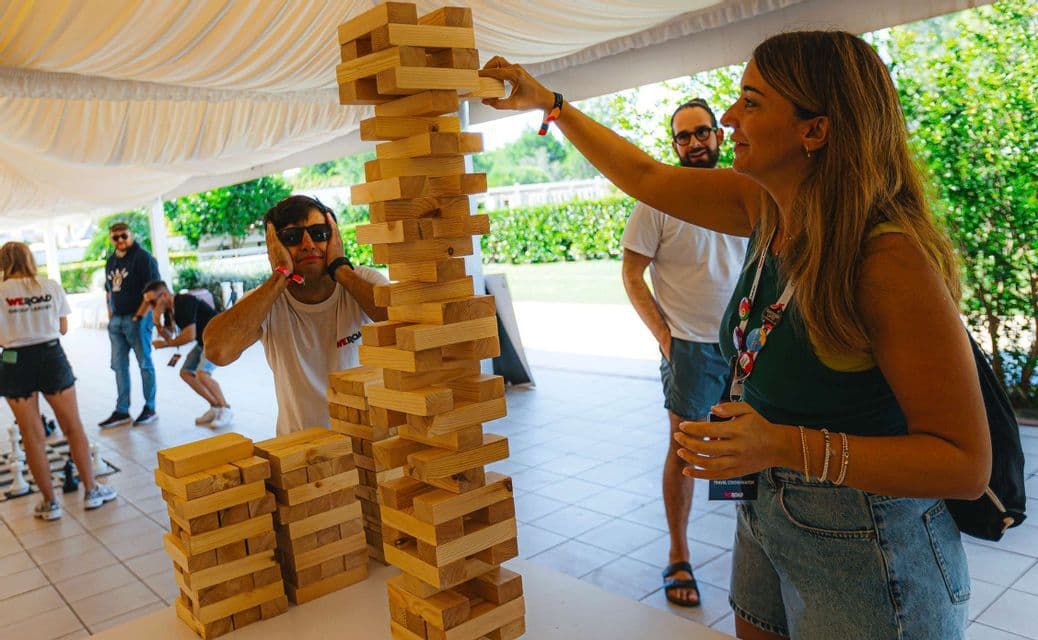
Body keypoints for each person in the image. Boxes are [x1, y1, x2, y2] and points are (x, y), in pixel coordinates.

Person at [481, 30, 989, 640]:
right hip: (767, 512)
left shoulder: (886, 260)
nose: (726, 118)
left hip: (871, 548)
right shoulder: (766, 208)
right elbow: (643, 174)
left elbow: (964, 465)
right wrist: (551, 104)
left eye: (750, 102)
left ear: (815, 130)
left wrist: (780, 445)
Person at [621, 98, 747, 607]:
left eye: (702, 133)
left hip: (747, 349)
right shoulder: (658, 200)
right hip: (690, 350)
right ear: (673, 145)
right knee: (685, 452)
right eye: (683, 136)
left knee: (746, 448)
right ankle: (679, 552)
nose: (694, 143)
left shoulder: (745, 191)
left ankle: (754, 550)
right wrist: (664, 338)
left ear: (718, 135)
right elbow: (631, 274)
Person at [204, 196, 388, 435]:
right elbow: (218, 351)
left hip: (367, 440)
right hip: (302, 452)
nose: (308, 244)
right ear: (274, 247)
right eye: (292, 237)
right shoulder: (266, 299)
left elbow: (403, 320)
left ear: (335, 237)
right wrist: (280, 275)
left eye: (319, 233)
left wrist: (341, 268)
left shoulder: (362, 281)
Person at [0, 242, 118, 520]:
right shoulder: (50, 286)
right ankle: (91, 491)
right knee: (72, 427)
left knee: (32, 436)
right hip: (50, 356)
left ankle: (50, 503)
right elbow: (63, 328)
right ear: (29, 259)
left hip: (13, 360)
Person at [142, 280, 232, 428]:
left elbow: (189, 335)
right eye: (148, 304)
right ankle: (215, 406)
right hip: (203, 341)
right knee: (185, 373)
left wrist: (165, 345)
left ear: (164, 295)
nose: (151, 307)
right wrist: (157, 322)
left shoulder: (184, 301)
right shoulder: (169, 310)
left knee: (203, 374)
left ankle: (225, 408)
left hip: (218, 337)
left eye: (152, 302)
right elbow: (169, 335)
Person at [99, 222, 159, 427]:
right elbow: (108, 290)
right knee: (119, 366)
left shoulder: (143, 258)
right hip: (117, 320)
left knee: (144, 363)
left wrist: (139, 317)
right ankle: (122, 410)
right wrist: (111, 315)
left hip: (137, 319)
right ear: (111, 239)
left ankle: (150, 408)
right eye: (116, 237)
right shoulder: (111, 261)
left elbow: (154, 290)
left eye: (124, 236)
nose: (120, 240)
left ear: (131, 235)